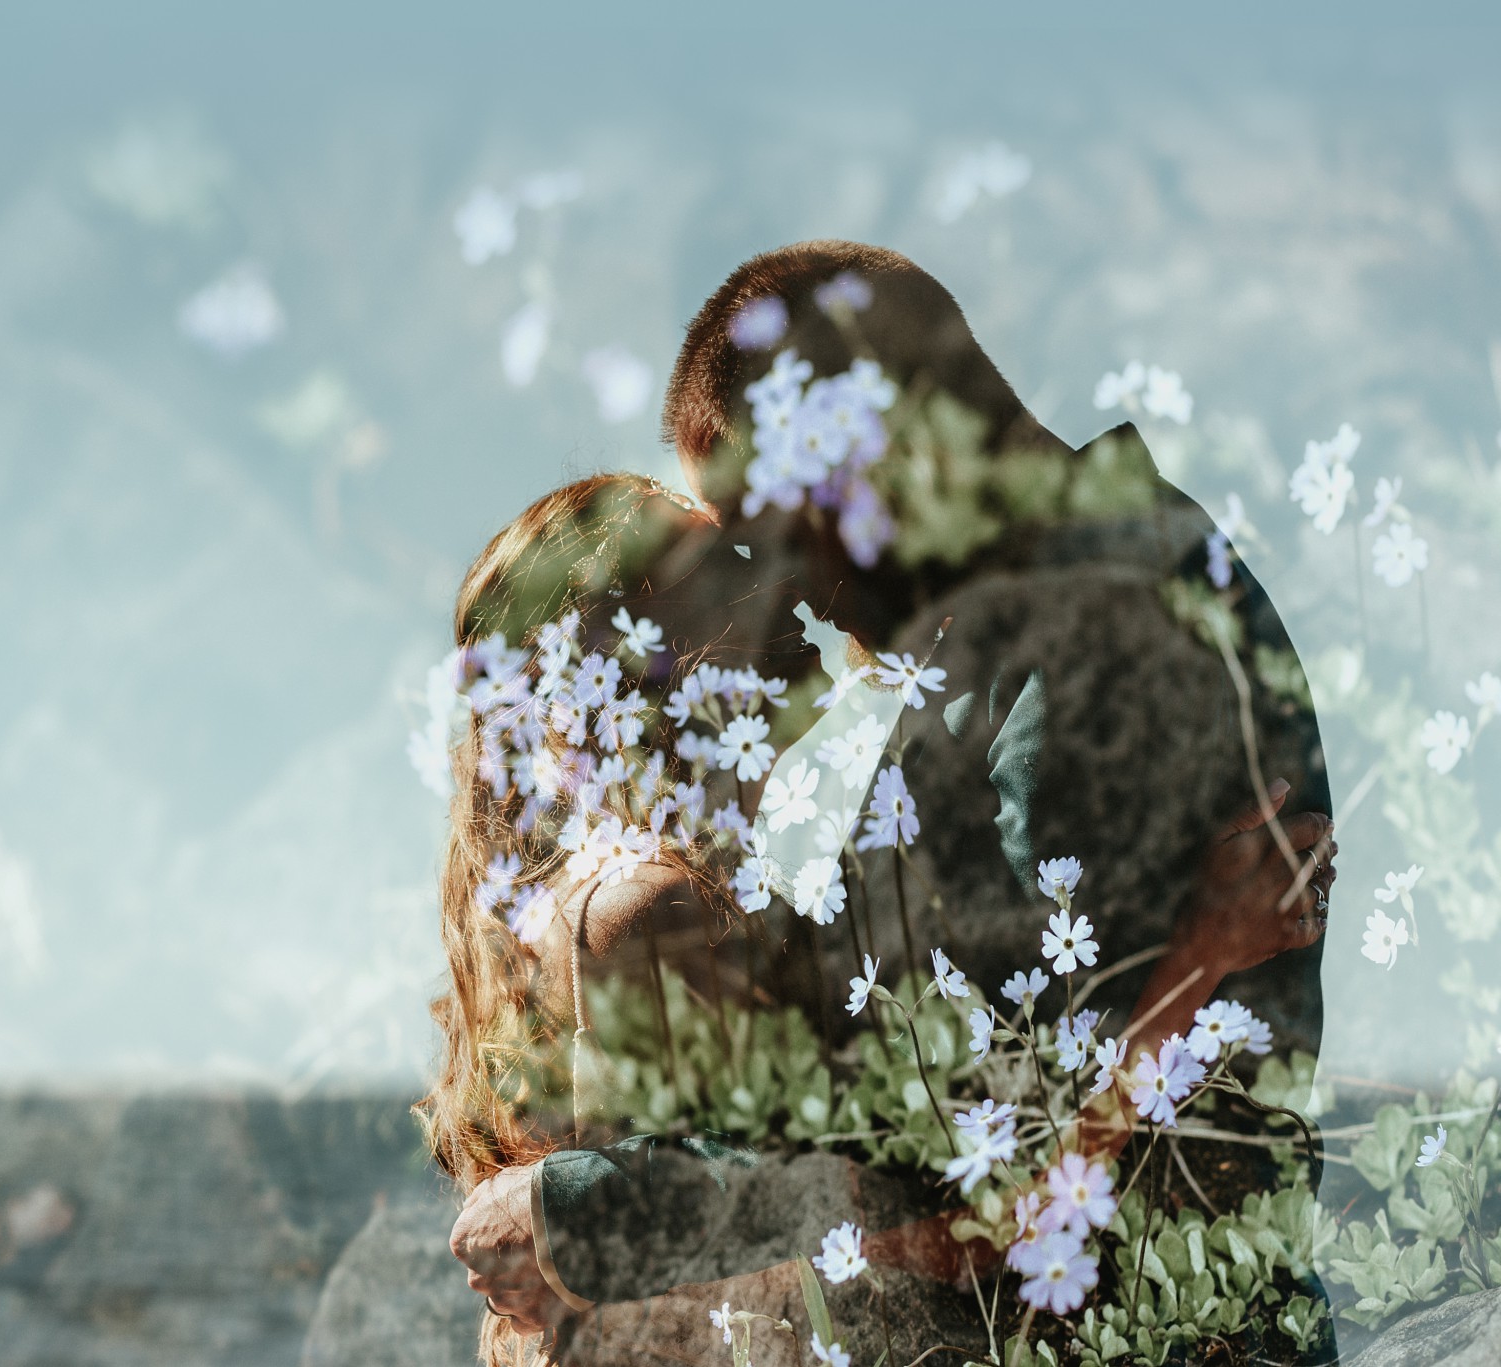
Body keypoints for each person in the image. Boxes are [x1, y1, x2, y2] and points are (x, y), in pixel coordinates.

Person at [435, 243, 1337, 1365]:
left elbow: (974, 1160)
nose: (787, 596)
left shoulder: (1094, 641)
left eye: (765, 531)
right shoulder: (1016, 635)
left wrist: (585, 1211)